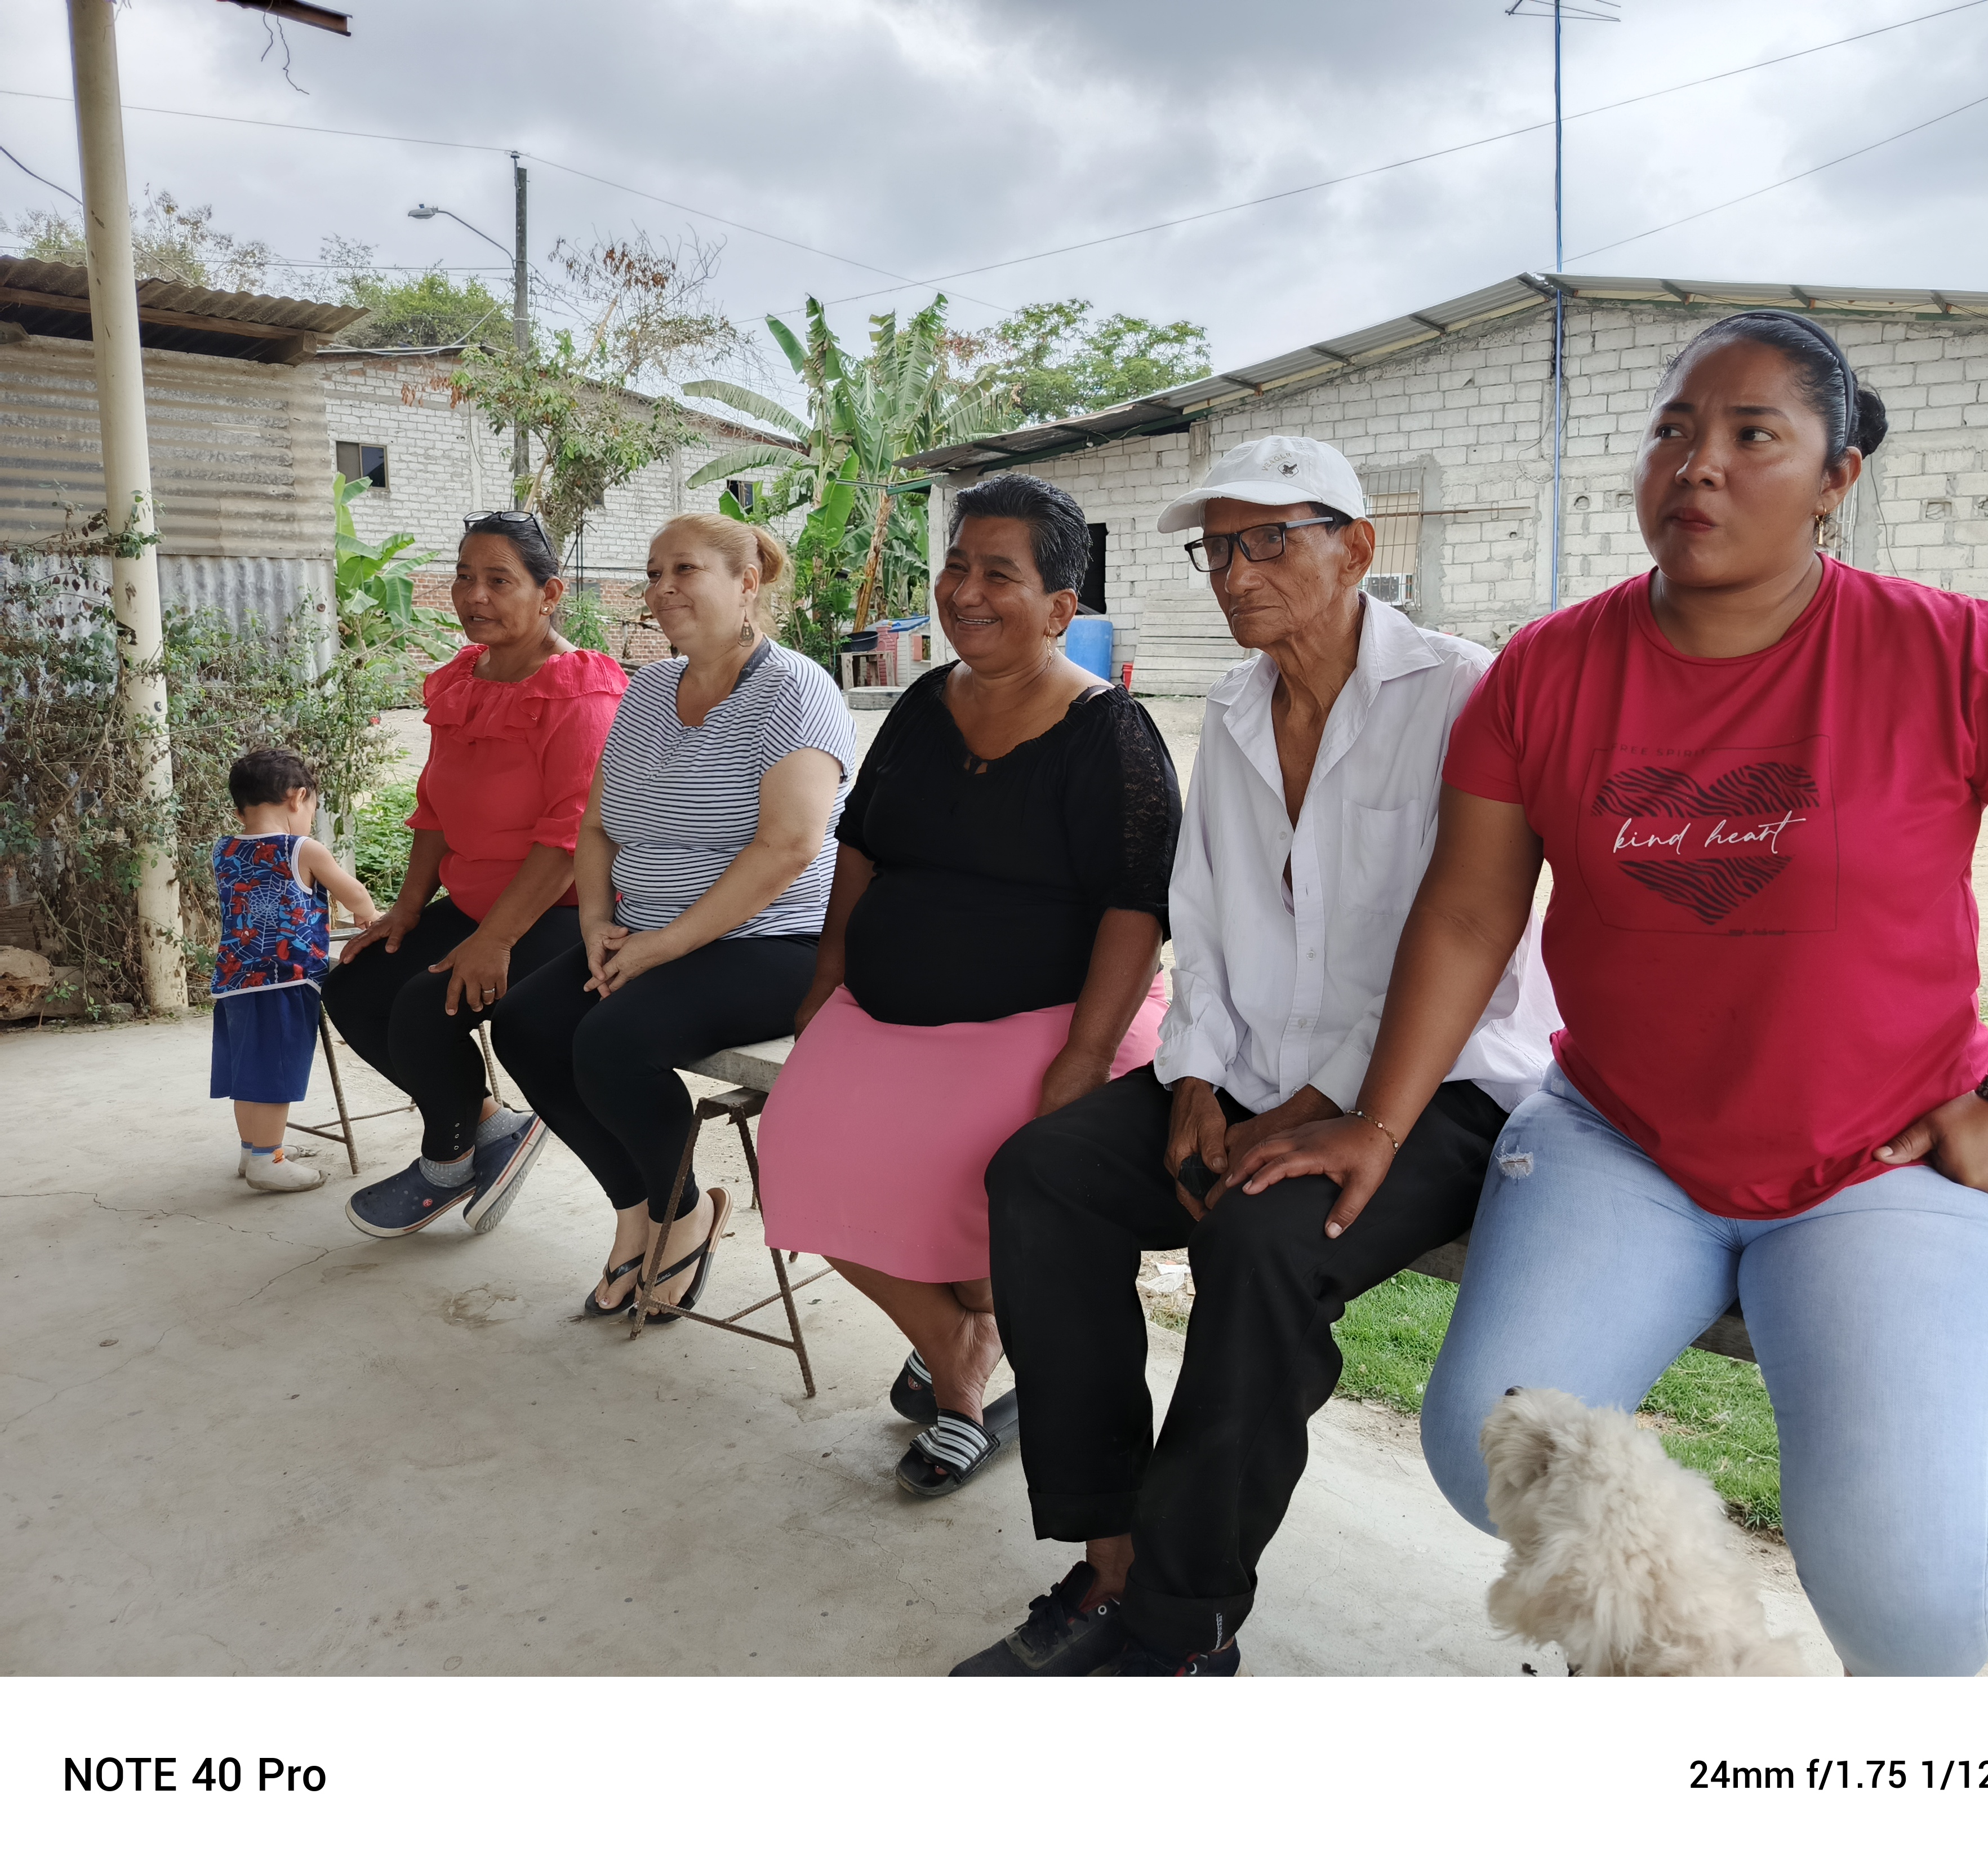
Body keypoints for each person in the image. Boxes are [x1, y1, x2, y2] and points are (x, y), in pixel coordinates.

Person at [1230, 313, 1988, 1676]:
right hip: (1620, 1144)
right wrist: (1380, 1121)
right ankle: (1692, 1655)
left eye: (1752, 435)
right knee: (1490, 1449)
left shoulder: (1949, 655)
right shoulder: (1544, 672)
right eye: (1671, 432)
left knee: (1907, 1600)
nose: (1696, 464)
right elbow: (1465, 913)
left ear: (1834, 479)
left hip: (1884, 1160)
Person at [949, 437, 1559, 1675]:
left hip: (1434, 1086)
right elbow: (1209, 919)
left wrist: (1313, 1105)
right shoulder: (1232, 710)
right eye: (1218, 548)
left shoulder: (1462, 694)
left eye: (1270, 539)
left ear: (1358, 547)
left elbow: (1464, 943)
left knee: (1261, 1242)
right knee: (1043, 1175)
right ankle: (1112, 1550)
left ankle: (1181, 1627)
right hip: (1247, 1068)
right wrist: (1190, 1079)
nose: (1235, 573)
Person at [758, 474, 1181, 1496]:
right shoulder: (920, 705)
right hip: (885, 1011)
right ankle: (959, 1343)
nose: (966, 591)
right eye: (956, 566)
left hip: (1052, 1018)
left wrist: (1084, 1057)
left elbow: (1138, 903)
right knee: (799, 1156)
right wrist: (828, 976)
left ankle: (964, 1360)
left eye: (1000, 573)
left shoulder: (1111, 733)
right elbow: (861, 847)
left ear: (1060, 608)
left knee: (979, 1186)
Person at [492, 515, 853, 1322]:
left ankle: (682, 1210)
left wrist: (662, 946)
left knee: (611, 1043)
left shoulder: (796, 690)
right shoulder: (651, 689)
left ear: (747, 583)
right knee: (524, 1025)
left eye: (683, 570)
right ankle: (641, 1211)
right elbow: (597, 824)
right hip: (648, 932)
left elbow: (789, 846)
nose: (661, 589)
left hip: (777, 940)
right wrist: (596, 921)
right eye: (654, 573)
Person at [326, 512, 627, 1238]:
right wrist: (404, 910)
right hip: (475, 905)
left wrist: (494, 940)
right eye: (465, 577)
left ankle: (444, 1161)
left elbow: (568, 836)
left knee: (426, 1005)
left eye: (499, 579)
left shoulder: (580, 691)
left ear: (549, 593)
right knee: (356, 985)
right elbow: (434, 809)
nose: (474, 595)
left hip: (563, 912)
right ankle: (489, 1128)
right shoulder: (461, 681)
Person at [210, 748, 379, 1193]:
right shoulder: (301, 848)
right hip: (283, 979)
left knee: (248, 1071)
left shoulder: (223, 850)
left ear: (239, 808)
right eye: (312, 808)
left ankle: (253, 1150)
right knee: (276, 1072)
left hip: (234, 980)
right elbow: (354, 894)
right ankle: (269, 1161)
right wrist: (368, 915)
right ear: (297, 796)